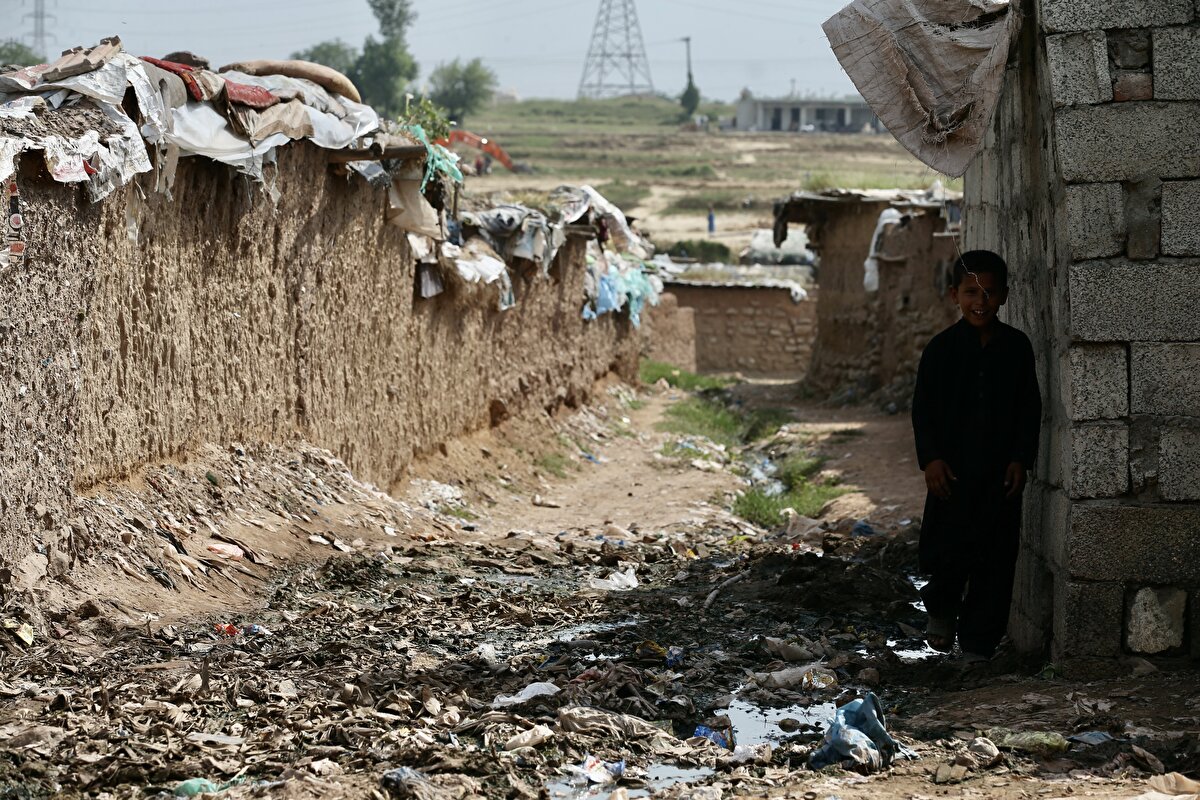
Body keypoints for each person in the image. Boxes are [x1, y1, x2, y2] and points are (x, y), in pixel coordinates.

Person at [911, 250, 1041, 662]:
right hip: (951, 475)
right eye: (971, 292)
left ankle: (977, 648)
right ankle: (942, 607)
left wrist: (1021, 458)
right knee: (948, 553)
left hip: (1000, 476)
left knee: (996, 561)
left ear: (1004, 295)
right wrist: (930, 460)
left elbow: (1029, 408)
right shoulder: (940, 350)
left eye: (989, 292)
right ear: (954, 295)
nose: (980, 301)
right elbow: (923, 411)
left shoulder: (1017, 348)